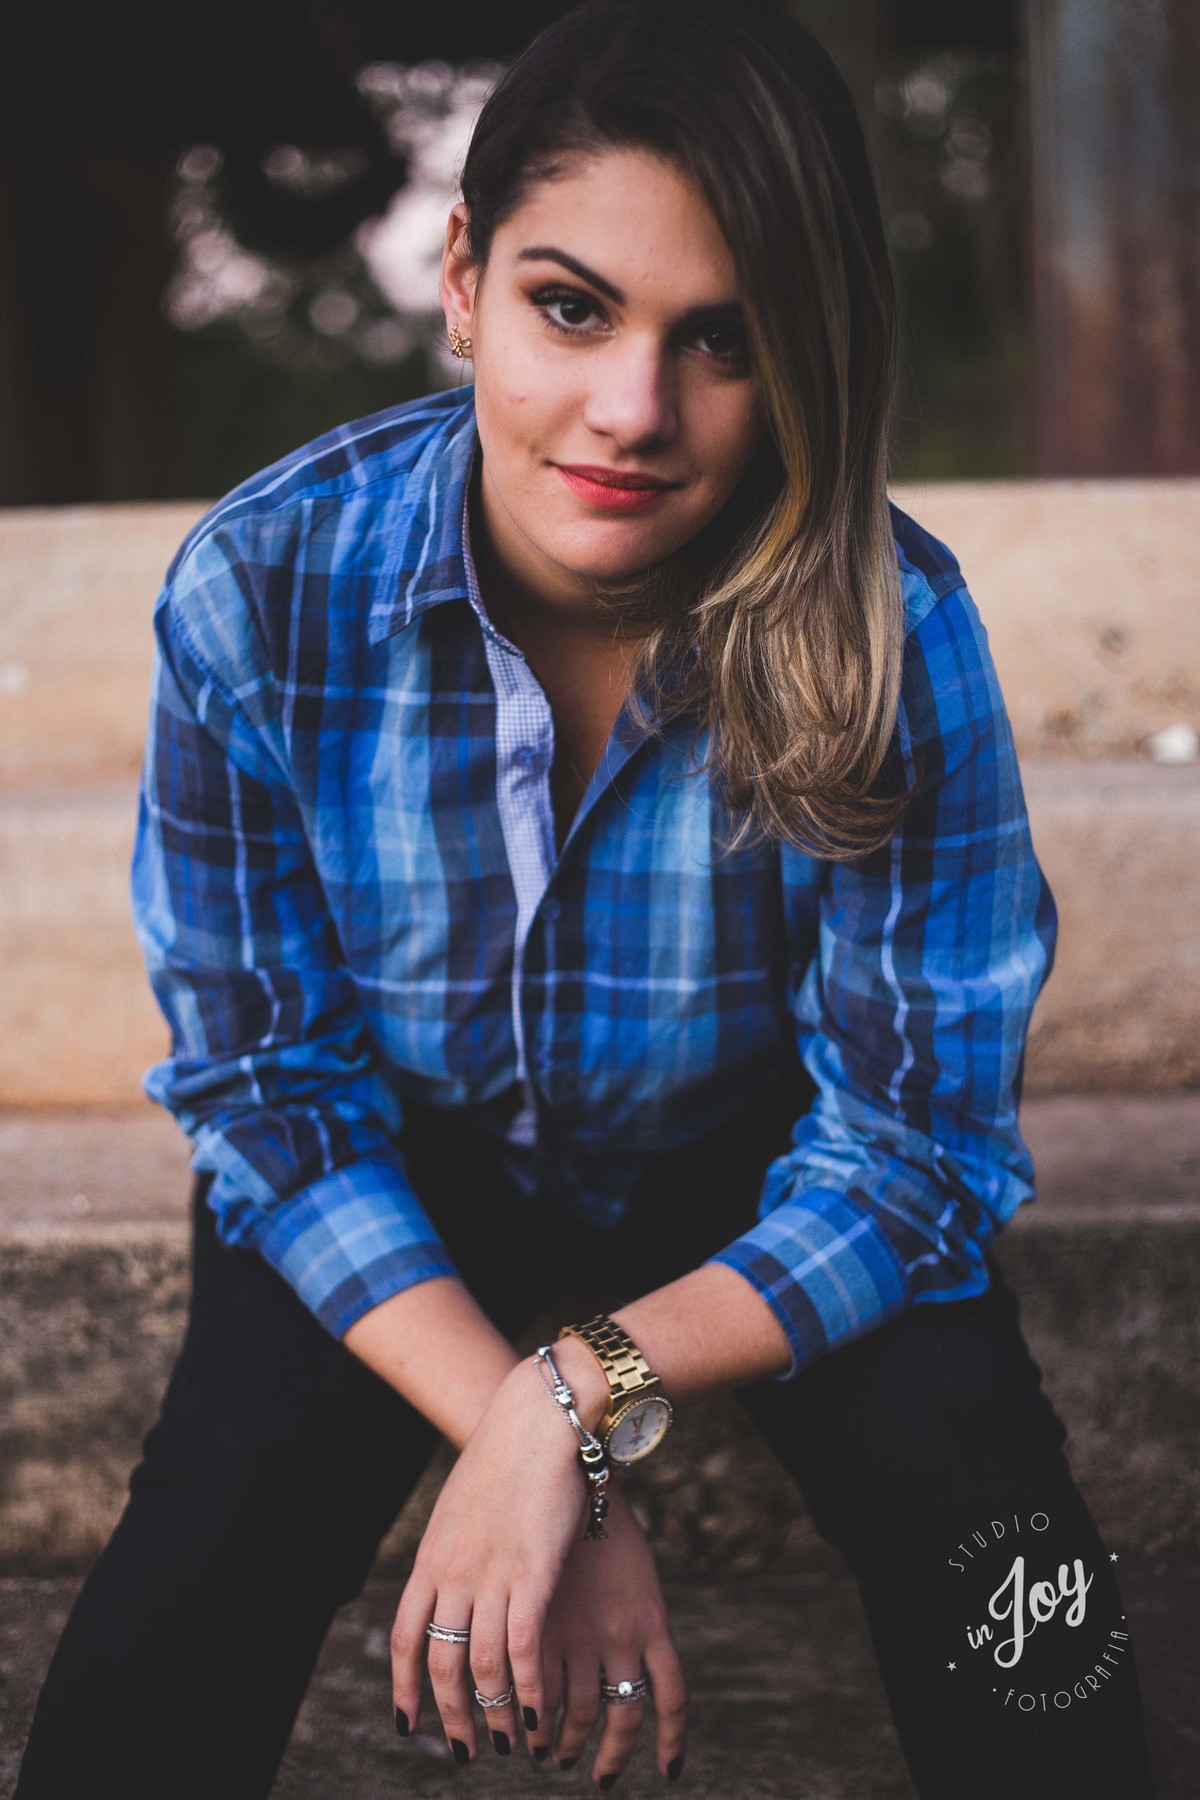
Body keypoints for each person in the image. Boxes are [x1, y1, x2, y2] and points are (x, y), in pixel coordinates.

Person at [16, 3, 1158, 1796]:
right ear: (463, 278)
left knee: (1039, 1631)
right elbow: (268, 1098)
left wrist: (580, 1398)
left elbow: (922, 1149)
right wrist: (554, 1440)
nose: (634, 412)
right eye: (572, 306)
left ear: (803, 352)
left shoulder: (893, 624)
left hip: (760, 1176)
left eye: (723, 339)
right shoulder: (262, 589)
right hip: (401, 1161)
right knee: (151, 1675)